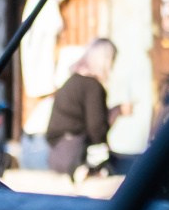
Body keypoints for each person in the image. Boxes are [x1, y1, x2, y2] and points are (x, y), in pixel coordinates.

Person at [46, 37, 116, 176]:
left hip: (57, 153)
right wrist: (116, 113)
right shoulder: (92, 85)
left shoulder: (74, 80)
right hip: (75, 155)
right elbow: (97, 129)